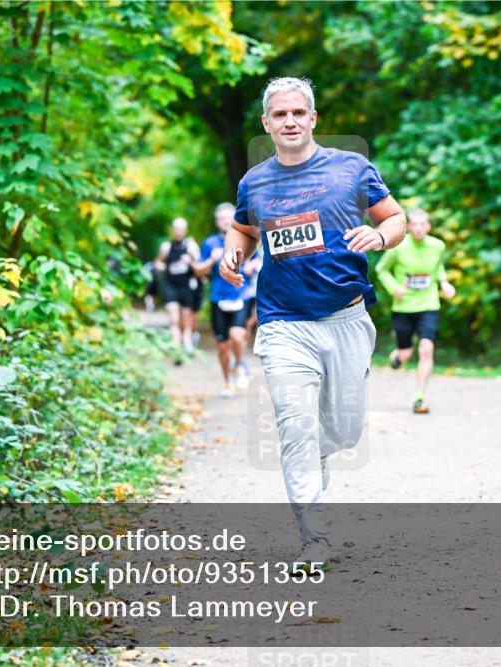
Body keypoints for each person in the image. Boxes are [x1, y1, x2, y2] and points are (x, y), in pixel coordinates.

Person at [218, 76, 406, 571]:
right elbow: (243, 228)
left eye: (298, 113)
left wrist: (380, 237)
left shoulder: (352, 168)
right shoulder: (254, 181)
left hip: (345, 318)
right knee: (294, 424)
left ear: (313, 118)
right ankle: (313, 536)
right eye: (279, 115)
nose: (290, 121)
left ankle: (320, 449)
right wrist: (233, 254)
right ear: (267, 123)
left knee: (342, 432)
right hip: (284, 322)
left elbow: (397, 220)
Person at [375, 208, 456, 414]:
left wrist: (444, 282)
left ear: (428, 226)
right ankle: (398, 357)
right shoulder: (399, 247)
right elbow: (381, 270)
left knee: (426, 348)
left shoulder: (437, 246)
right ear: (409, 227)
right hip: (403, 307)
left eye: (423, 224)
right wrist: (395, 288)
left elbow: (437, 267)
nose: (419, 228)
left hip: (429, 305)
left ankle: (420, 396)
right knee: (405, 353)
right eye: (415, 225)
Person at [196, 203, 253, 397]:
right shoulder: (209, 243)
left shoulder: (244, 239)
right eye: (221, 218)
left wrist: (252, 266)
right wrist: (212, 260)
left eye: (229, 217)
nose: (225, 221)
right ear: (216, 221)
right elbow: (198, 270)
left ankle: (239, 363)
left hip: (240, 296)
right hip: (218, 298)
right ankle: (227, 382)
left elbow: (259, 259)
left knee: (237, 336)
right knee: (222, 346)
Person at [155, 217, 199, 357]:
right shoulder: (166, 247)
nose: (178, 231)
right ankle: (176, 346)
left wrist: (190, 261)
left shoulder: (191, 246)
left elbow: (199, 266)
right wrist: (161, 266)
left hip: (186, 286)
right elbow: (158, 262)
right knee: (174, 318)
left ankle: (186, 340)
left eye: (181, 228)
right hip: (171, 286)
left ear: (185, 230)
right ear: (172, 230)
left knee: (186, 319)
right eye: (176, 228)